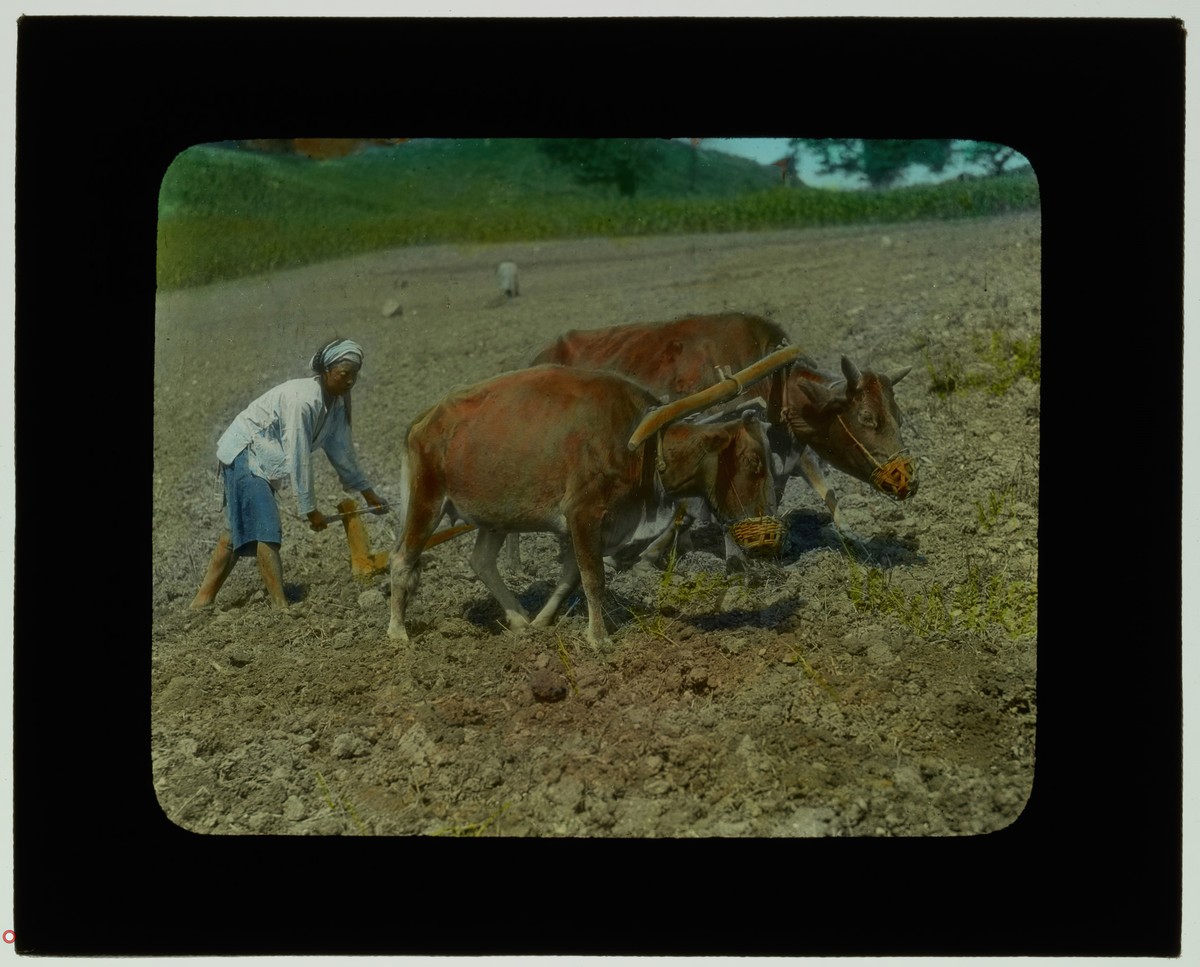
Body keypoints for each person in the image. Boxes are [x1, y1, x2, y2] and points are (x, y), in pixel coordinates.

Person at [190, 337, 388, 611]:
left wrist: (370, 495)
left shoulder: (335, 405)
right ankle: (280, 607)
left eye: (354, 375)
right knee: (267, 529)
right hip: (246, 451)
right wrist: (310, 510)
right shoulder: (302, 401)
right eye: (344, 375)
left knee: (237, 531)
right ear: (327, 371)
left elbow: (343, 454)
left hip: (260, 458)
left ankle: (201, 601)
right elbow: (298, 455)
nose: (350, 382)